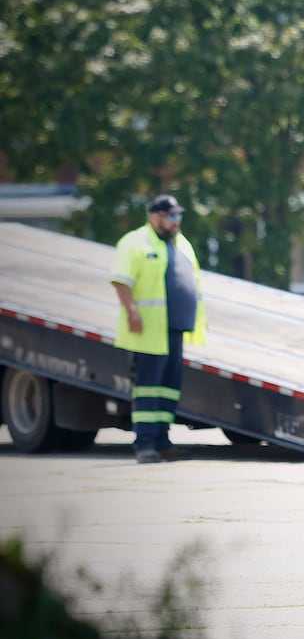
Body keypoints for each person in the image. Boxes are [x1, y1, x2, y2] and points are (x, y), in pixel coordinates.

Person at [110, 194, 207, 463]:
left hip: (174, 328)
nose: (176, 222)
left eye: (179, 216)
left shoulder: (181, 243)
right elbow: (121, 280)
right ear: (155, 217)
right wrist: (131, 312)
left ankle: (163, 442)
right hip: (148, 331)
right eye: (171, 216)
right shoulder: (135, 242)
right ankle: (145, 445)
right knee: (148, 388)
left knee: (168, 388)